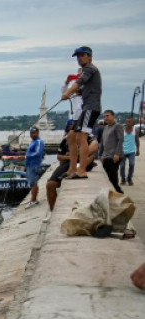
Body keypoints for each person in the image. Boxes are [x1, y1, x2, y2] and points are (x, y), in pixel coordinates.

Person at [61, 46, 101, 179]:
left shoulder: (90, 69)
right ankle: (72, 168)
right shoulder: (87, 70)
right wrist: (78, 91)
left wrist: (68, 92)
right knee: (71, 135)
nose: (79, 58)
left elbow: (80, 81)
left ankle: (82, 170)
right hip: (86, 107)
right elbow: (84, 86)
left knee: (82, 137)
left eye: (82, 55)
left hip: (91, 107)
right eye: (78, 56)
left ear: (90, 56)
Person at [45, 121, 75, 221]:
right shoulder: (64, 141)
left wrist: (70, 157)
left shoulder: (86, 139)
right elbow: (59, 156)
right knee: (50, 184)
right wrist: (70, 157)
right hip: (67, 164)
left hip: (80, 165)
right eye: (69, 130)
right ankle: (52, 211)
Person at [100, 110, 125, 193]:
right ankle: (116, 191)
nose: (106, 118)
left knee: (112, 175)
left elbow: (120, 140)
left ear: (113, 116)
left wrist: (117, 154)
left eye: (107, 116)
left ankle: (118, 191)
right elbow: (103, 142)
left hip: (114, 155)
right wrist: (100, 154)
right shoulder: (106, 128)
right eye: (104, 116)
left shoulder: (117, 126)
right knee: (109, 175)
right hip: (106, 155)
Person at [23, 127, 46, 208]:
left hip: (34, 164)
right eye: (31, 133)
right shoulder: (32, 142)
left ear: (37, 133)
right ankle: (33, 199)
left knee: (33, 182)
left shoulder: (39, 142)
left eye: (34, 133)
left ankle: (34, 200)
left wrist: (26, 156)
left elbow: (37, 153)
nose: (32, 135)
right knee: (31, 183)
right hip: (29, 165)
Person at [121, 117, 140, 185]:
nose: (128, 123)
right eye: (127, 121)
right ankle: (123, 179)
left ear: (132, 123)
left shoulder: (135, 130)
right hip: (123, 151)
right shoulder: (122, 130)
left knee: (132, 164)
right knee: (122, 166)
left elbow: (137, 140)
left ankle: (129, 179)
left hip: (131, 151)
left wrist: (138, 149)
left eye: (130, 122)